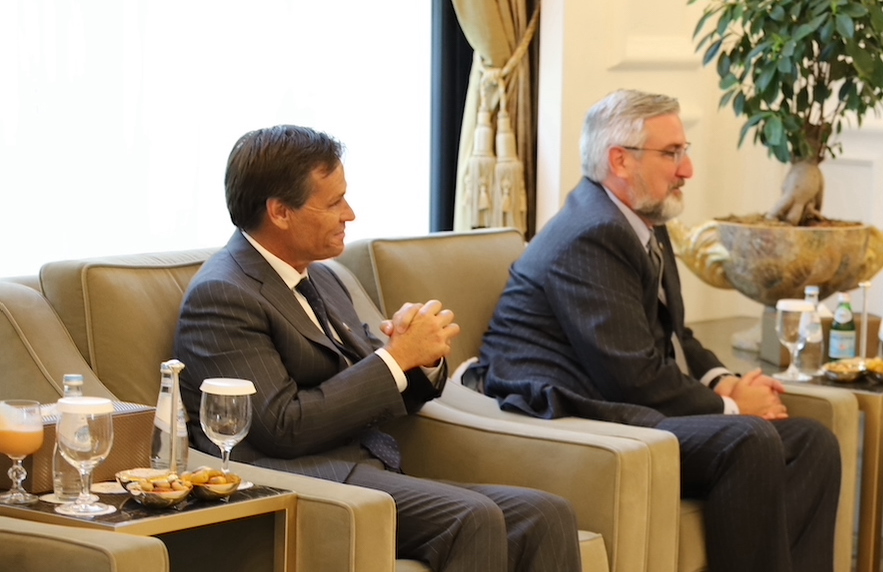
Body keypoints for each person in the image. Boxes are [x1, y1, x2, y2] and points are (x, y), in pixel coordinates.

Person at [175, 125, 580, 572]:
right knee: (472, 517)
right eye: (333, 203)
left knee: (546, 513)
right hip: (299, 480)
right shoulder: (224, 294)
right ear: (280, 212)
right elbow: (280, 427)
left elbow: (379, 384)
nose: (349, 213)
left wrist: (419, 357)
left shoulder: (321, 277)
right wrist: (396, 359)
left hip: (364, 467)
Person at [475, 89, 841, 572]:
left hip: (619, 400)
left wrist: (723, 381)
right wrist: (733, 407)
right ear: (620, 161)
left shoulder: (642, 218)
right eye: (673, 154)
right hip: (571, 417)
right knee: (745, 438)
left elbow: (675, 337)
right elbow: (633, 377)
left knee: (813, 442)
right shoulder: (592, 234)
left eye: (683, 152)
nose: (686, 170)